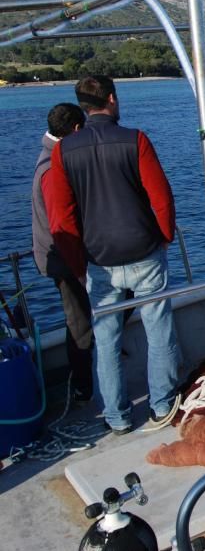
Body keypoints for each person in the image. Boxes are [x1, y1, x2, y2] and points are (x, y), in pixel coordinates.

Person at [46, 75, 181, 435]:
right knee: (158, 328)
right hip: (144, 250)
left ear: (83, 105)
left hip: (99, 259)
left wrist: (78, 263)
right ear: (111, 99)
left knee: (106, 339)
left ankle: (118, 416)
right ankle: (162, 404)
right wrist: (164, 236)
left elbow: (62, 217)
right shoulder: (135, 140)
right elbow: (162, 197)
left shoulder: (64, 151)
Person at [31, 103, 93, 402]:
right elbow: (61, 222)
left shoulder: (51, 159)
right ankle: (82, 386)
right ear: (77, 130)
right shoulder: (52, 168)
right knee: (79, 323)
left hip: (64, 255)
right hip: (65, 258)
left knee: (88, 316)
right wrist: (80, 267)